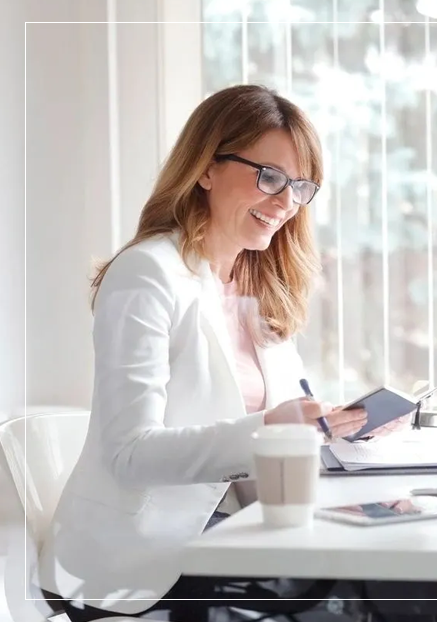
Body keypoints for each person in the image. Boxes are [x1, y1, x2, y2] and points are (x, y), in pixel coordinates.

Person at [36, 84, 406, 622]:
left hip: (233, 536)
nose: (285, 203)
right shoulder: (147, 274)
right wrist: (273, 429)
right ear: (207, 168)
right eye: (269, 177)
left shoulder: (260, 287)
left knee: (393, 591)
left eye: (299, 187)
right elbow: (129, 454)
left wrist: (340, 428)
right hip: (134, 567)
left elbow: (277, 431)